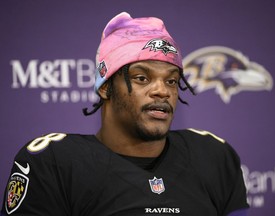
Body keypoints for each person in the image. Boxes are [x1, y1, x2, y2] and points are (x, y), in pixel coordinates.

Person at [1, 12, 249, 215]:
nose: (162, 91)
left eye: (172, 81)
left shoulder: (215, 157)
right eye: (142, 78)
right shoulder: (52, 163)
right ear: (106, 87)